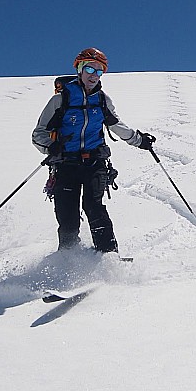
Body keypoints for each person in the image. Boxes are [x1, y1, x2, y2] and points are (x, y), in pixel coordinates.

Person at [32, 48, 156, 252]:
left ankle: (108, 256)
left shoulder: (102, 100)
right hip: (65, 164)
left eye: (99, 71)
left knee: (94, 207)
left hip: (94, 163)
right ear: (79, 69)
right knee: (68, 217)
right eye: (90, 68)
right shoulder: (60, 100)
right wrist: (51, 146)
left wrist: (138, 140)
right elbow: (38, 133)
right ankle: (68, 258)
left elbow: (116, 125)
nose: (94, 75)